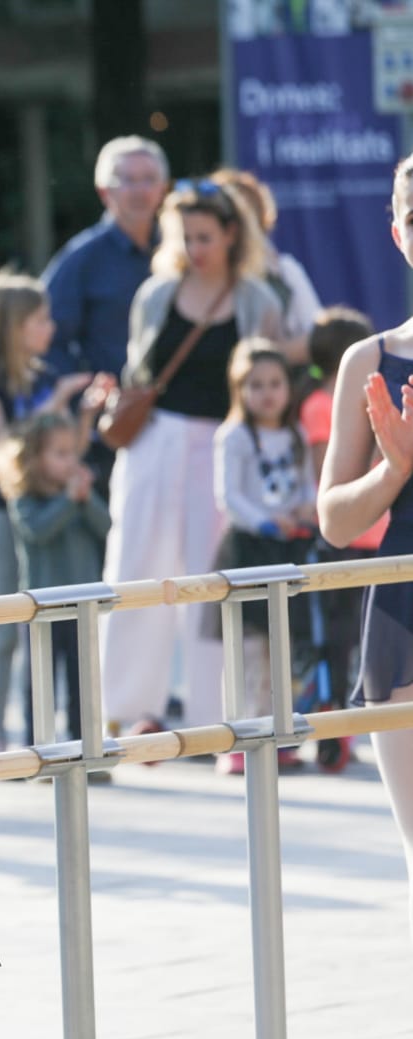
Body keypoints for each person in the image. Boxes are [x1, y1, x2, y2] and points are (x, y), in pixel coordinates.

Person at [98, 177, 282, 738]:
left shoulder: (258, 299)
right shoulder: (156, 292)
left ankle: (215, 715)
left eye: (204, 236)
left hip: (221, 445)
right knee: (136, 571)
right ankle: (130, 710)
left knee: (213, 581)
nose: (194, 247)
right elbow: (138, 372)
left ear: (231, 234)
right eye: (185, 236)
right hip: (156, 441)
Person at [319, 153, 413, 935]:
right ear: (396, 231)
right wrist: (393, 471)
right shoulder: (370, 360)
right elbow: (335, 522)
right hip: (405, 617)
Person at [0, 271, 100, 752]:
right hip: (1, 510)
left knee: (42, 622)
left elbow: (64, 449)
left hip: (48, 508)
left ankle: (41, 733)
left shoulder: (43, 376)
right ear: (12, 325)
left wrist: (84, 415)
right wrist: (56, 403)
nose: (51, 327)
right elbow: (2, 449)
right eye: (40, 319)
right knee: (5, 624)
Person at [205, 341, 315, 774]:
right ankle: (236, 739)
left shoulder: (295, 434)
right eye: (256, 385)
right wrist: (268, 522)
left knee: (280, 649)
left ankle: (276, 736)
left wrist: (304, 511)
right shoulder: (232, 436)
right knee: (246, 650)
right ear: (239, 389)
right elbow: (228, 496)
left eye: (275, 384)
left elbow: (306, 486)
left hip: (287, 550)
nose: (267, 393)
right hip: (249, 550)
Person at [41, 136, 170, 498]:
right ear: (104, 192)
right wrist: (86, 392)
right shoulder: (81, 259)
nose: (139, 190)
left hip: (181, 422)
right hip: (111, 433)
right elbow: (45, 338)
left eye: (148, 179)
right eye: (127, 179)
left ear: (163, 189)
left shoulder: (184, 249)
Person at [0, 412, 110, 754]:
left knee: (82, 681)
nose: (70, 460)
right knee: (40, 682)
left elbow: (105, 526)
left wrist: (85, 500)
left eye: (72, 452)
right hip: (41, 608)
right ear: (34, 458)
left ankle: (83, 748)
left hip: (82, 607)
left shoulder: (80, 495)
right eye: (59, 453)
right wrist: (70, 500)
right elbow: (38, 531)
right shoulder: (25, 499)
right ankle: (38, 749)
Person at [299, 306, 376, 771]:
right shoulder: (321, 405)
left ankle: (353, 720)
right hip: (345, 539)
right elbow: (325, 472)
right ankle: (336, 727)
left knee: (360, 640)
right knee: (338, 641)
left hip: (376, 535)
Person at [212, 167, 323, 369]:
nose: (238, 227)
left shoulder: (285, 271)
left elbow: (316, 336)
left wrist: (261, 360)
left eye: (245, 215)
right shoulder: (192, 278)